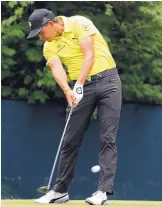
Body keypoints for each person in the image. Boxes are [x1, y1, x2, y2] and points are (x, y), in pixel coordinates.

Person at [27, 8, 122, 205]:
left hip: (108, 82)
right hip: (81, 89)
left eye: (41, 32)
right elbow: (56, 68)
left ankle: (102, 193)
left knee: (107, 138)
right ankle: (60, 191)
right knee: (70, 139)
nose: (40, 38)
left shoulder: (79, 23)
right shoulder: (49, 45)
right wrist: (68, 90)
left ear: (50, 24)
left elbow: (90, 55)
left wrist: (77, 84)